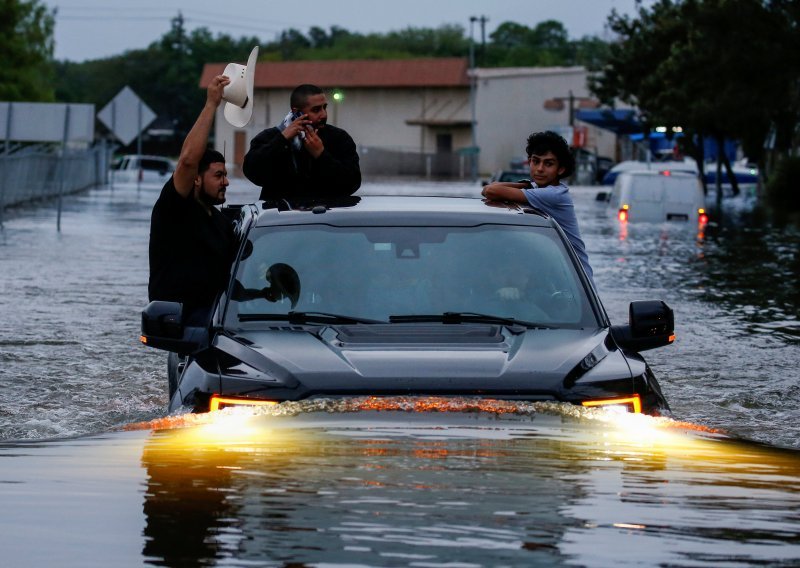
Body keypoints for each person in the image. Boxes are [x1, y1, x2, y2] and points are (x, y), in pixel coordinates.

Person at [148, 74, 237, 326]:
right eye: (218, 175)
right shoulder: (174, 208)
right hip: (183, 323)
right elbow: (187, 161)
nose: (226, 182)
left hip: (221, 320)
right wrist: (211, 105)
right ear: (196, 180)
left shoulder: (222, 223)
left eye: (226, 175)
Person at [481, 130, 595, 287]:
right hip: (558, 274)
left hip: (577, 281)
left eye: (548, 164)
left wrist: (526, 186)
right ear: (529, 162)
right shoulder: (540, 189)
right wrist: (527, 184)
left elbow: (490, 190)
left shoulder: (555, 194)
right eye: (536, 162)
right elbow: (490, 188)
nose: (540, 169)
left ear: (560, 169)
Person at [243, 84, 361, 200]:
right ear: (296, 112)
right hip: (279, 215)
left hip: (325, 216)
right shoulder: (269, 137)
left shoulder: (339, 138)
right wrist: (282, 140)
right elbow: (252, 172)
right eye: (316, 110)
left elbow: (352, 183)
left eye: (324, 107)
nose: (323, 114)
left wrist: (321, 155)